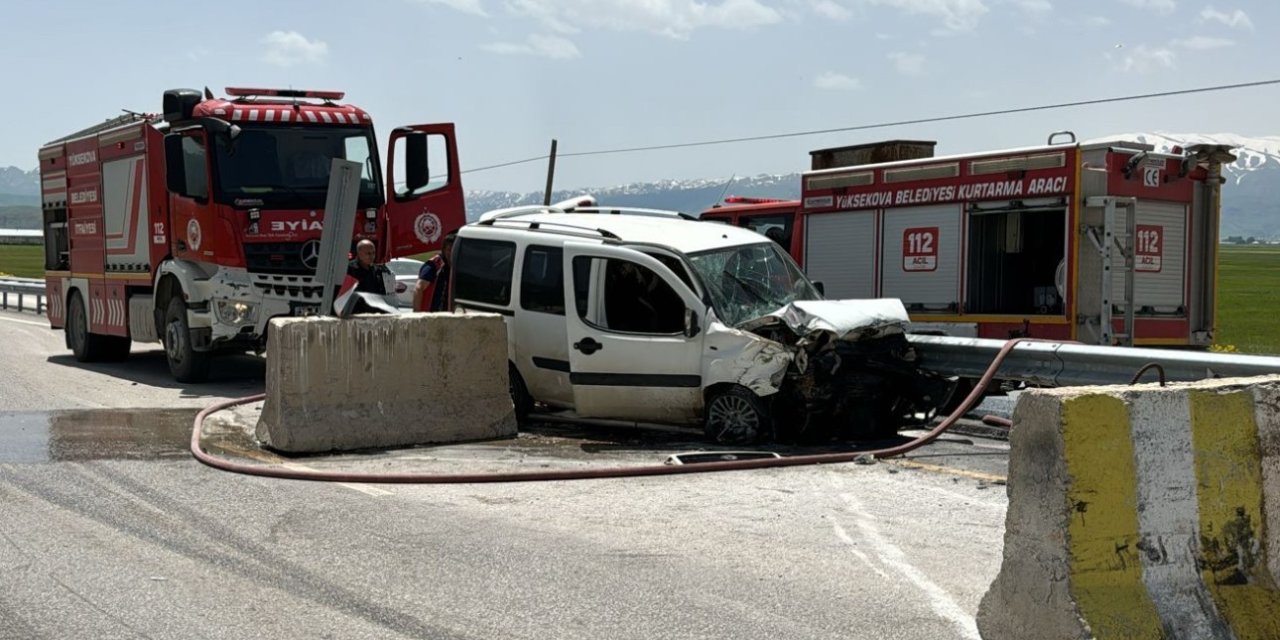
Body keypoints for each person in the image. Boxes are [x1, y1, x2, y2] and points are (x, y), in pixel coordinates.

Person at [414, 232, 456, 312]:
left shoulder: (456, 266)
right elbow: (419, 288)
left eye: (454, 250)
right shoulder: (434, 265)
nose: (451, 253)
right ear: (444, 250)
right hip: (430, 315)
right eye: (449, 250)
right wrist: (417, 314)